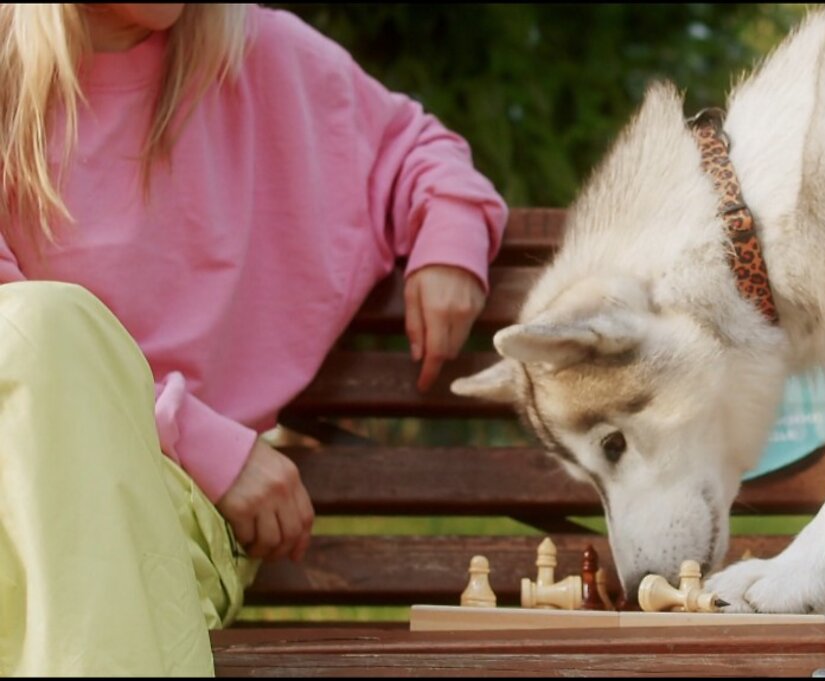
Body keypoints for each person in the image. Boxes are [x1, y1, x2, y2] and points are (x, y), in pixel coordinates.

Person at [0, 3, 508, 675]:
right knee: (40, 327)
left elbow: (416, 149)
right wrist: (201, 438)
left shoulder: (255, 53)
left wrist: (450, 239)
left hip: (168, 506)